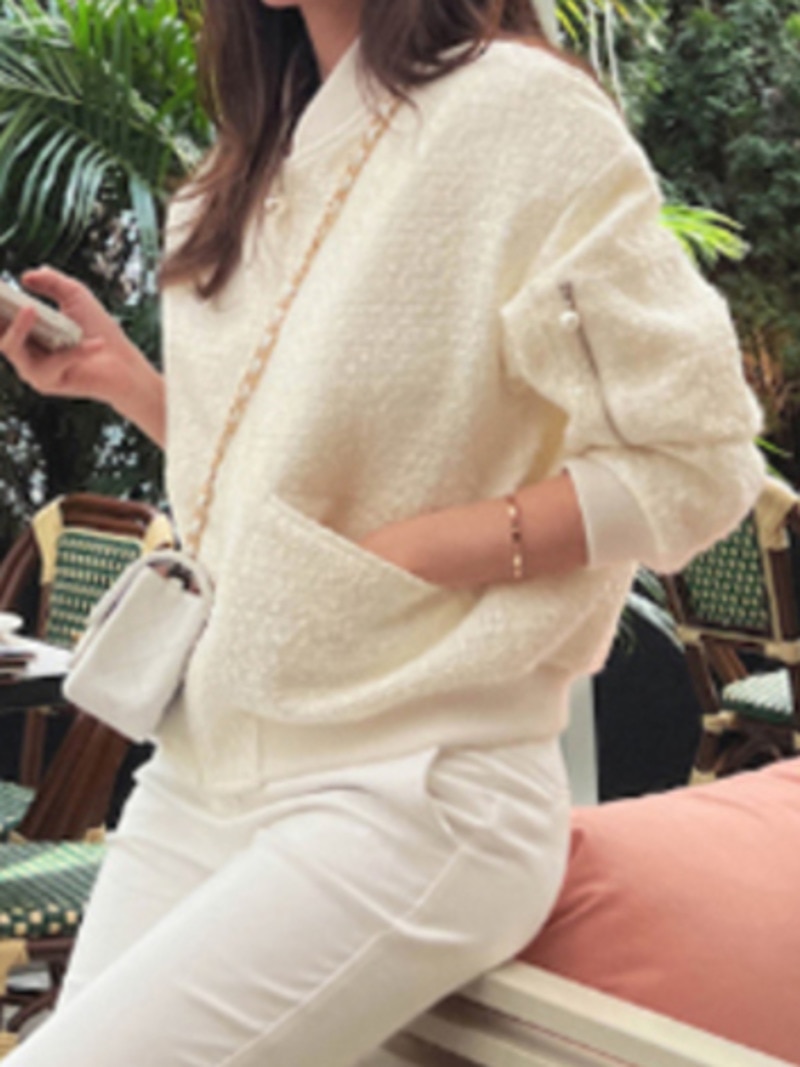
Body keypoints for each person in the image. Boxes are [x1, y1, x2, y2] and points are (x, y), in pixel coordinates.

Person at [0, 1, 764, 1064]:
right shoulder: (236, 178)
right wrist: (125, 383)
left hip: (412, 784)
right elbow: (268, 484)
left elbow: (695, 462)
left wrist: (414, 554)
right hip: (199, 770)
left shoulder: (517, 113)